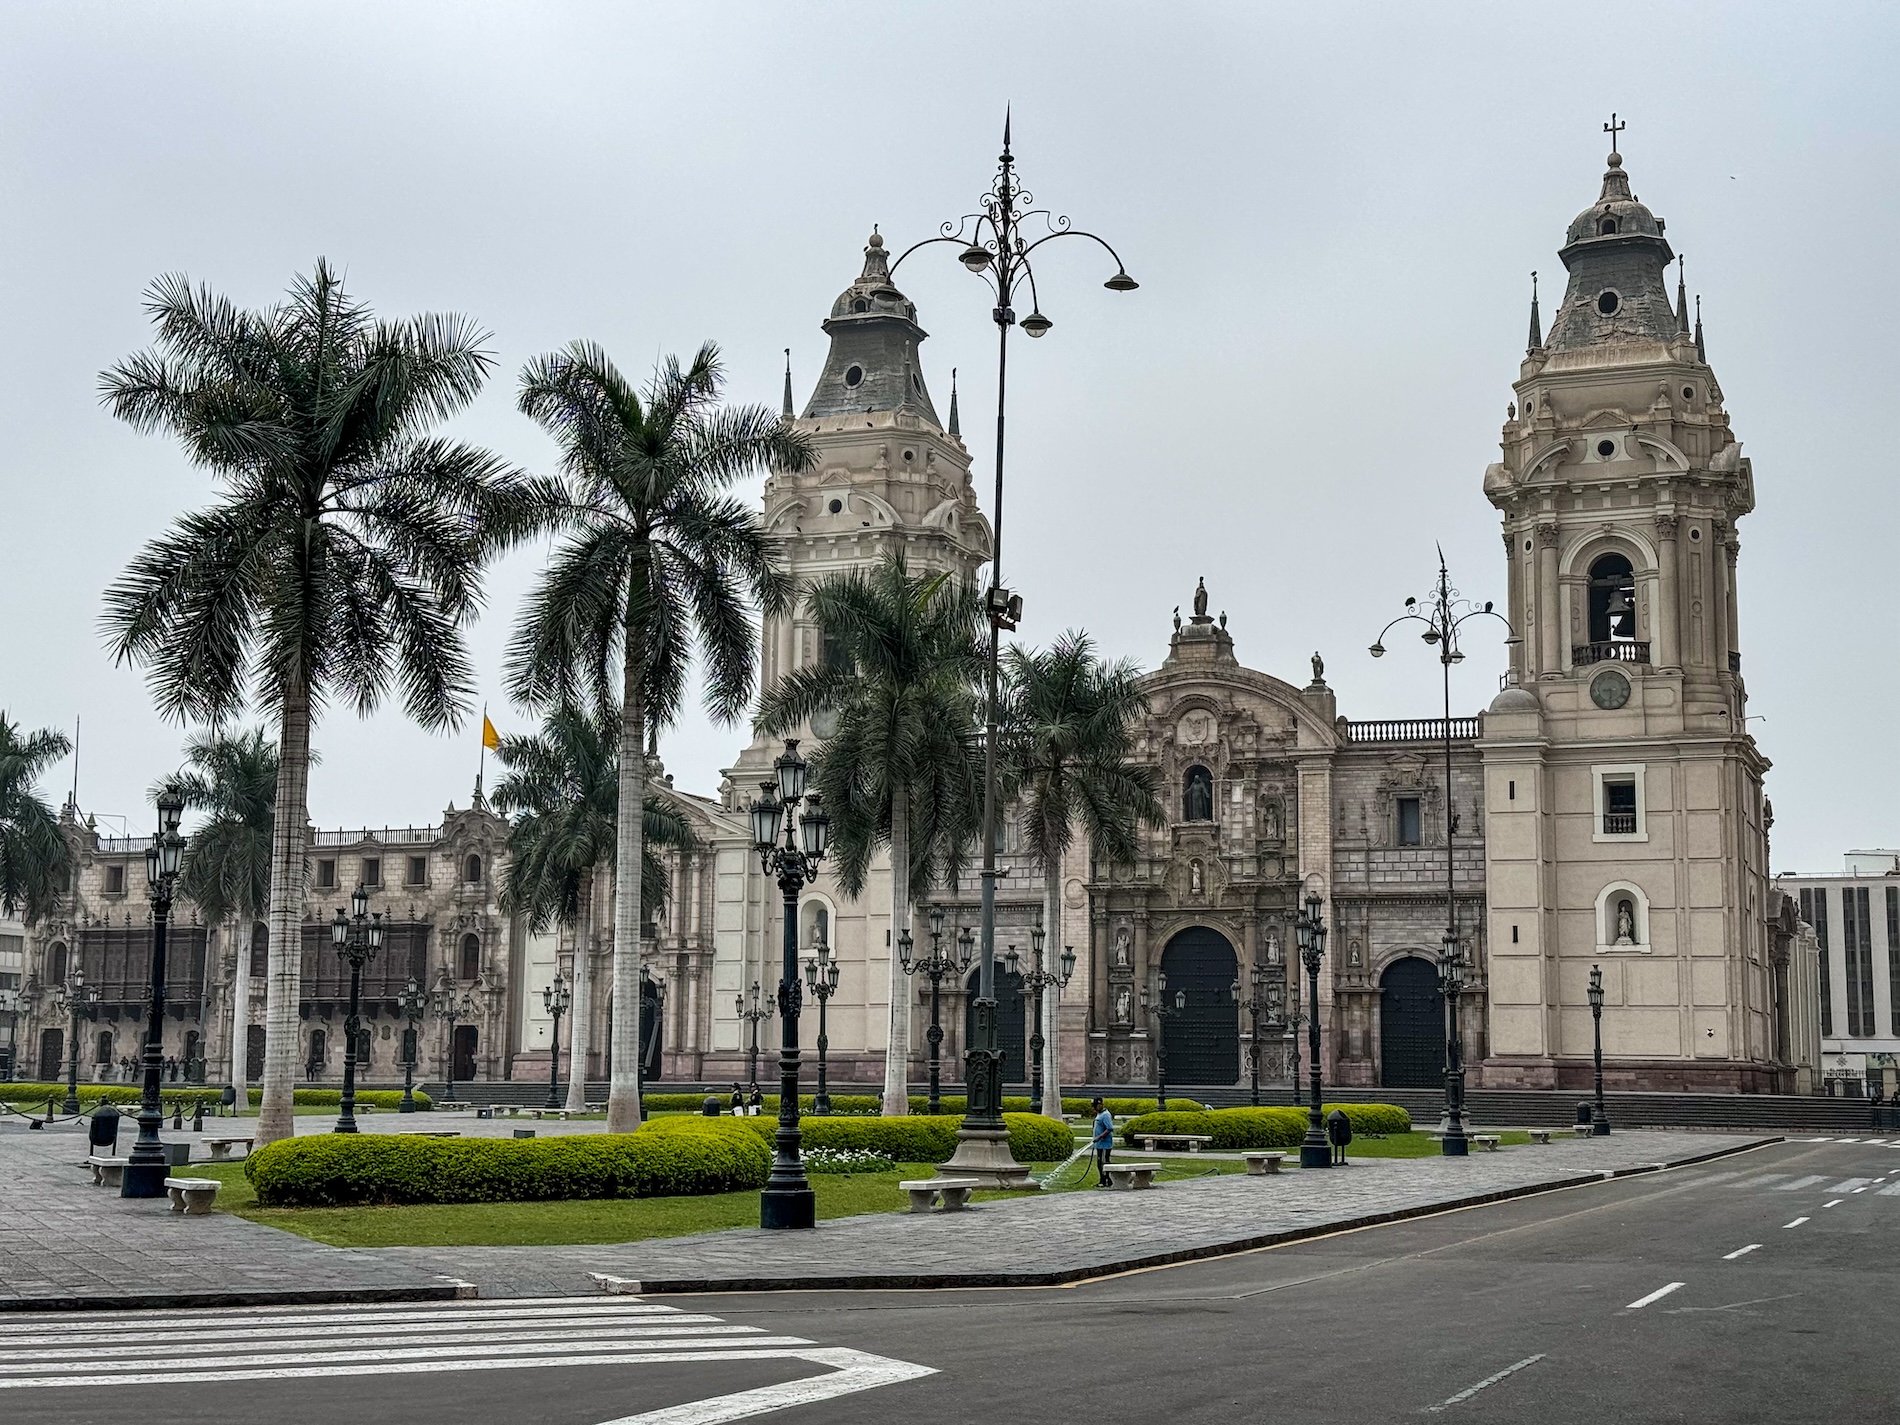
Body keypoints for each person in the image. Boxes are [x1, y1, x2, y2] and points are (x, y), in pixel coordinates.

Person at [1090, 1097, 1115, 1187]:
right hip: (1099, 1144)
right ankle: (1102, 1180)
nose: (1094, 1108)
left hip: (1105, 1144)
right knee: (1099, 1163)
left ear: (1100, 1105)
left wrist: (1099, 1137)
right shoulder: (1099, 1114)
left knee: (1104, 1162)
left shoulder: (1106, 1115)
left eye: (1095, 1106)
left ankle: (1107, 1180)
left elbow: (1109, 1128)